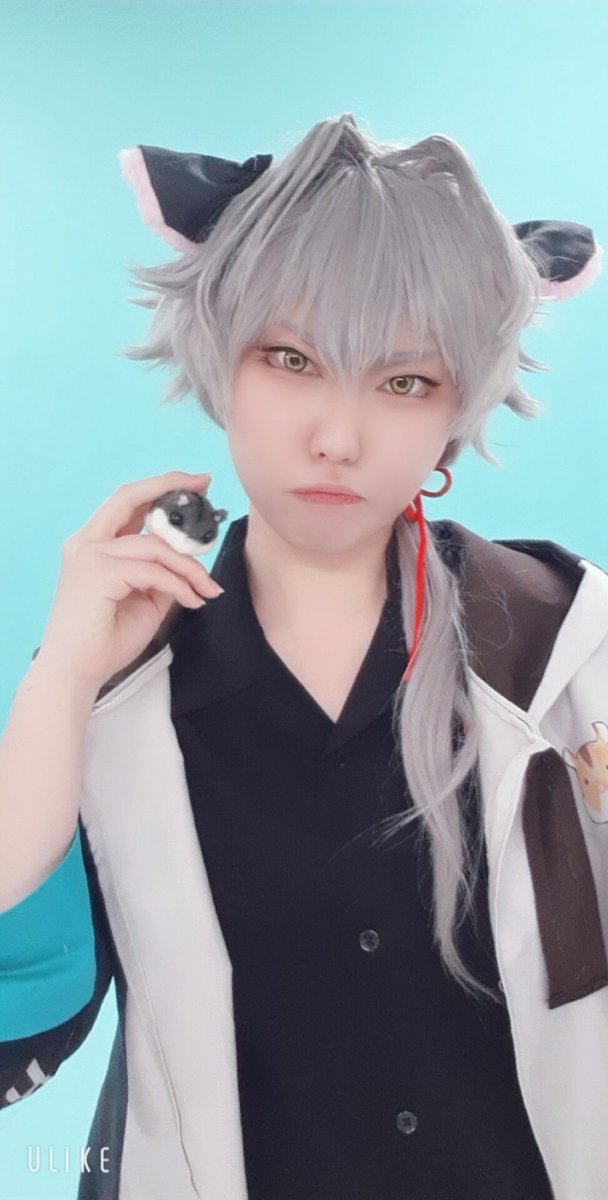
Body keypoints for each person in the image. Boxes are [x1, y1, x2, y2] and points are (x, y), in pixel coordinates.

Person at [0, 112, 606, 1200]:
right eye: (292, 359)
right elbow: (17, 1016)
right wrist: (58, 687)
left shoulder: (566, 642)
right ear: (220, 359)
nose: (337, 436)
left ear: (456, 406)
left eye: (403, 380)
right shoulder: (118, 684)